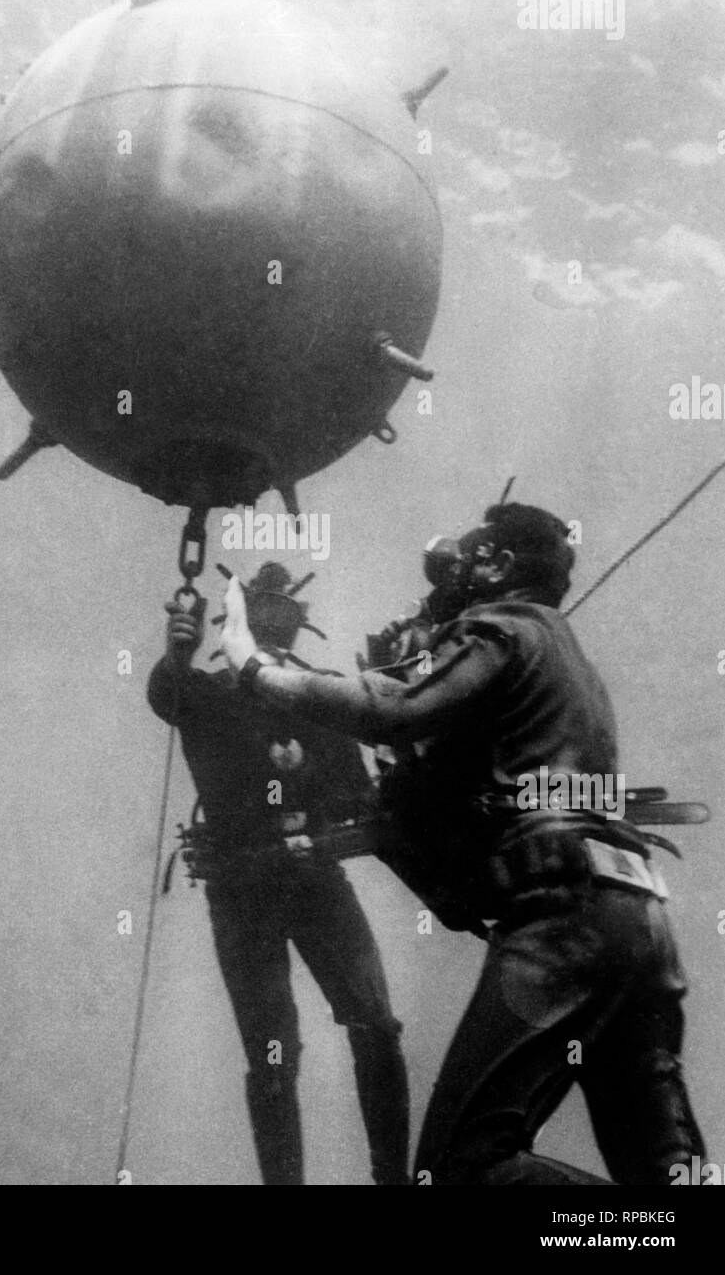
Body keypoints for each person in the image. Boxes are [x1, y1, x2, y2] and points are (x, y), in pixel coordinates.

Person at [220, 504, 705, 1184]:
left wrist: (252, 668)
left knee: (463, 1172)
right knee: (664, 1175)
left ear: (500, 567)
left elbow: (388, 713)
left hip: (564, 918)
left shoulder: (500, 627)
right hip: (636, 920)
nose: (450, 579)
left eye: (468, 559)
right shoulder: (566, 660)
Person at [146, 562, 410, 1186]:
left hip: (283, 887)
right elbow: (168, 691)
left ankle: (389, 1181)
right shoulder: (235, 696)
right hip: (259, 890)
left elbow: (366, 806)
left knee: (335, 1036)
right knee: (323, 1039)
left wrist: (180, 648)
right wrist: (175, 654)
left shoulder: (307, 699)